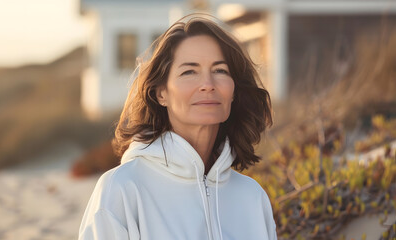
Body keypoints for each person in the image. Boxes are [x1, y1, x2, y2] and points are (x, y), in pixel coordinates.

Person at [79, 15, 276, 240]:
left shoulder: (252, 197)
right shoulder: (122, 189)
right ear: (161, 92)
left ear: (234, 90)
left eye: (220, 70)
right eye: (189, 72)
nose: (208, 85)